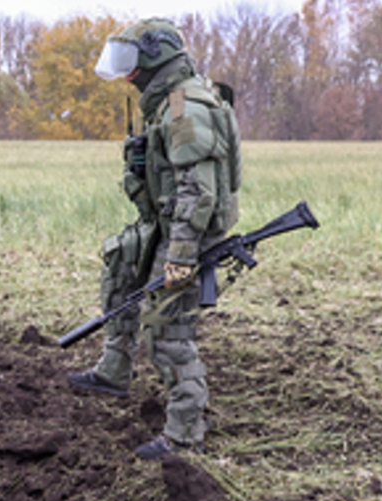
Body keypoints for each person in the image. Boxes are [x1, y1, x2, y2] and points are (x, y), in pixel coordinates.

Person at [68, 18, 242, 461]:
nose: (127, 75)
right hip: (169, 222)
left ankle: (184, 435)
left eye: (131, 64)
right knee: (122, 267)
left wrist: (182, 254)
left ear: (155, 58)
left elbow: (198, 190)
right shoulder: (168, 102)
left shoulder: (185, 107)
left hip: (189, 230)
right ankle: (113, 370)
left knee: (168, 329)